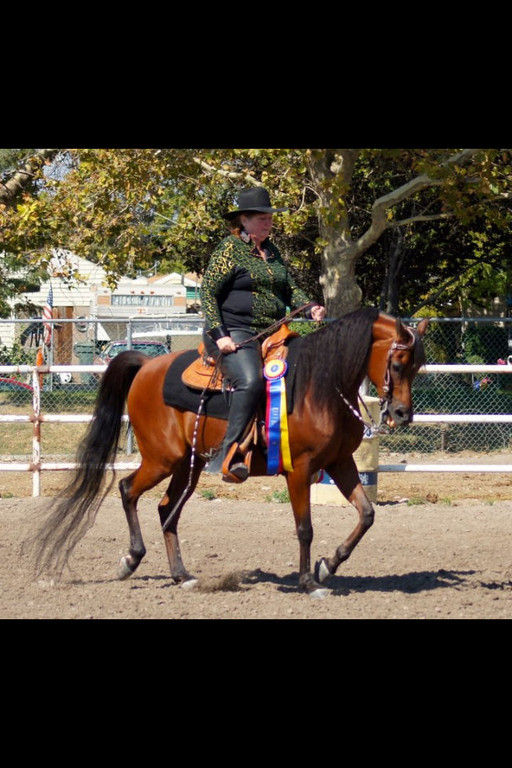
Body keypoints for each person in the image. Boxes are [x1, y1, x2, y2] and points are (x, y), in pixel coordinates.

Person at [200, 187, 326, 483]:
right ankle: (229, 453)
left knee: (307, 370)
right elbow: (208, 292)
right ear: (243, 220)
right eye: (261, 218)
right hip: (235, 332)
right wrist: (220, 334)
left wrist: (309, 308)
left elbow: (289, 288)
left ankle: (301, 447)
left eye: (269, 217)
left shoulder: (272, 251)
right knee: (251, 380)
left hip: (273, 333)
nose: (268, 222)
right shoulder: (228, 249)